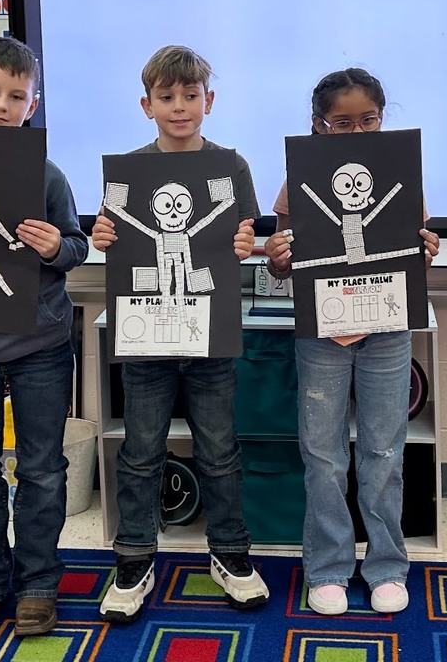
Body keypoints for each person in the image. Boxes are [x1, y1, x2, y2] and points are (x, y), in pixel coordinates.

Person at [93, 45, 269, 622]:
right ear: (147, 105)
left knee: (220, 449)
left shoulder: (232, 167)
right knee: (140, 451)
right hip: (148, 341)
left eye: (190, 95)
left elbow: (243, 238)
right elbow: (116, 235)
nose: (179, 106)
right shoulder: (131, 174)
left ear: (208, 101)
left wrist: (248, 247)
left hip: (210, 335)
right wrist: (101, 235)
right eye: (166, 97)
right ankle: (135, 557)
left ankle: (232, 554)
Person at [264, 67, 439, 616]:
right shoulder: (299, 182)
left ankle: (387, 565)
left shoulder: (400, 176)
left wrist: (425, 248)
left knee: (385, 450)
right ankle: (328, 568)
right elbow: (287, 265)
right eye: (343, 123)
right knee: (323, 454)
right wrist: (278, 259)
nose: (358, 132)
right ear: (319, 126)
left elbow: (412, 245)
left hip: (387, 329)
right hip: (322, 331)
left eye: (370, 120)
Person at [0, 37, 88, 640]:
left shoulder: (47, 173)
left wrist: (57, 248)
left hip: (41, 347)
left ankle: (37, 584)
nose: (2, 105)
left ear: (33, 105)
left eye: (17, 96)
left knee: (42, 469)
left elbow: (77, 245)